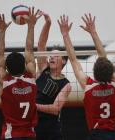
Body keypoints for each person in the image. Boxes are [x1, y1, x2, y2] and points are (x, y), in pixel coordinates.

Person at [58, 13, 115, 140]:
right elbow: (103, 56)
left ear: (94, 73)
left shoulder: (89, 87)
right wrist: (93, 32)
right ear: (111, 74)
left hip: (96, 134)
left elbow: (74, 60)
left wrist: (65, 34)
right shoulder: (114, 85)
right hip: (114, 134)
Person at [0, 7, 41, 140]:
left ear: (6, 69)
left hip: (10, 135)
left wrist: (1, 32)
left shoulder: (4, 80)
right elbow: (29, 49)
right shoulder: (31, 77)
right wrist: (31, 26)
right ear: (25, 66)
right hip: (29, 135)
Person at [35, 12, 72, 140]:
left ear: (64, 61)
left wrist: (34, 106)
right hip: (33, 127)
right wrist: (48, 23)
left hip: (51, 131)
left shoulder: (66, 84)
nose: (51, 57)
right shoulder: (43, 69)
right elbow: (41, 44)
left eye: (56, 56)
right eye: (51, 55)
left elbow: (56, 109)